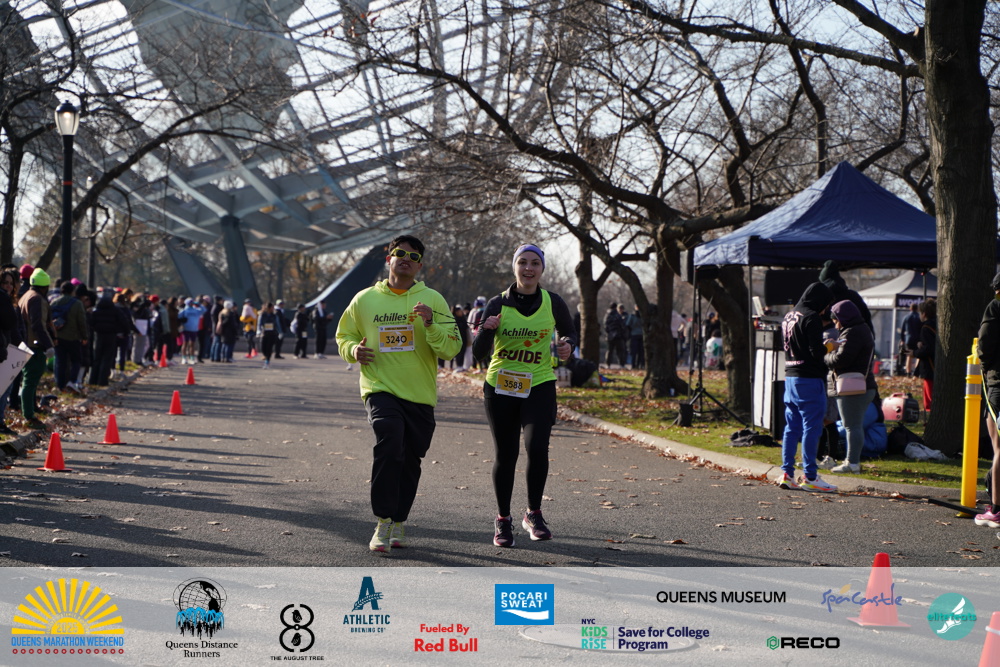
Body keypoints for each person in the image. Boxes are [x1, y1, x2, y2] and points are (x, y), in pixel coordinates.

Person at [335, 235, 462, 553]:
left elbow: (452, 347)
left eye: (413, 256)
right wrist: (353, 350)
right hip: (380, 388)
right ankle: (382, 520)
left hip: (419, 394)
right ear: (389, 259)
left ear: (420, 266)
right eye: (399, 253)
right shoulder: (364, 299)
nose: (406, 258)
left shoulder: (433, 300)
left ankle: (399, 521)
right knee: (389, 442)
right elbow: (344, 335)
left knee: (410, 460)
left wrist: (430, 323)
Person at [472, 244, 575, 547]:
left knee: (537, 447)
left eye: (534, 263)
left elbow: (570, 332)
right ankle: (503, 519)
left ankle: (533, 513)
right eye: (523, 262)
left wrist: (568, 344)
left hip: (539, 384)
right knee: (506, 454)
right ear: (514, 267)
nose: (528, 268)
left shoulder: (553, 302)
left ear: (542, 269)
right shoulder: (497, 303)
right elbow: (478, 352)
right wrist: (487, 330)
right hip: (501, 386)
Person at [778, 281, 838, 492]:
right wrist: (830, 346)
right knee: (812, 428)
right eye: (825, 305)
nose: (825, 310)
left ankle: (787, 474)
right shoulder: (811, 317)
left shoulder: (789, 315)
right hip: (810, 379)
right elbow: (816, 353)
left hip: (790, 377)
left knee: (791, 428)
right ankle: (810, 476)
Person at [824, 300, 877, 474]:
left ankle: (852, 463)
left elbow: (842, 360)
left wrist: (827, 353)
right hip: (861, 385)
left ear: (844, 318)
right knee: (853, 425)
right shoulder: (860, 329)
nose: (836, 325)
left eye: (836, 321)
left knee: (851, 426)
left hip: (853, 387)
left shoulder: (853, 332)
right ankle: (852, 461)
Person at [975, 273, 1000, 528]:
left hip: (998, 384)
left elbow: (984, 344)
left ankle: (996, 509)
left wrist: (985, 365)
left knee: (999, 447)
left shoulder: (996, 306)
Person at [18, 268, 55, 429]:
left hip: (25, 343)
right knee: (30, 380)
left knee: (29, 380)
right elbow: (38, 325)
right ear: (45, 286)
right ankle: (28, 415)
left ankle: (31, 410)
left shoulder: (26, 295)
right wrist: (48, 345)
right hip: (35, 345)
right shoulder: (37, 299)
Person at [50, 280, 88, 394]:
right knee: (76, 360)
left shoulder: (54, 302)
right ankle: (72, 381)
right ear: (72, 291)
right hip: (73, 337)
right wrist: (84, 336)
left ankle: (60, 386)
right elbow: (81, 321)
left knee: (60, 361)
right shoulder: (77, 304)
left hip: (58, 336)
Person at [913, 298, 937, 412]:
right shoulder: (936, 325)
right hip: (935, 366)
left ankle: (929, 415)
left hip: (929, 367)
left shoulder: (925, 328)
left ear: (924, 314)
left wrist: (915, 352)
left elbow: (928, 349)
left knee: (929, 397)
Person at [256, 302, 284, 368]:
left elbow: (277, 324)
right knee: (263, 348)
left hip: (272, 334)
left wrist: (280, 332)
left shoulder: (274, 315)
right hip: (264, 333)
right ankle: (266, 356)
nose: (273, 309)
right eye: (272, 307)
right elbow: (259, 324)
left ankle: (267, 362)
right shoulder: (262, 315)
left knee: (269, 348)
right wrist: (258, 331)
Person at [178, 297, 205, 365]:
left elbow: (204, 310)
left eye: (192, 302)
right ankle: (184, 358)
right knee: (185, 344)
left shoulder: (196, 310)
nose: (191, 303)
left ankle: (192, 358)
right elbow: (178, 317)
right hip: (186, 329)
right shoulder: (184, 310)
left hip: (194, 329)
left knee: (192, 344)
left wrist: (199, 304)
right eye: (190, 302)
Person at [899, 303, 922, 375]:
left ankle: (908, 372)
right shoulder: (919, 317)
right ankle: (916, 371)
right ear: (917, 309)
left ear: (910, 308)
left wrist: (902, 339)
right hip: (918, 339)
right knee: (918, 356)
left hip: (909, 339)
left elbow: (903, 330)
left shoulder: (906, 317)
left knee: (909, 356)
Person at [603, 302, 627, 368]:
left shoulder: (607, 315)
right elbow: (622, 325)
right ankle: (621, 364)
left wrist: (608, 332)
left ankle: (608, 364)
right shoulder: (617, 315)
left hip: (610, 336)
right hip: (618, 335)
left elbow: (605, 325)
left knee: (609, 351)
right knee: (620, 351)